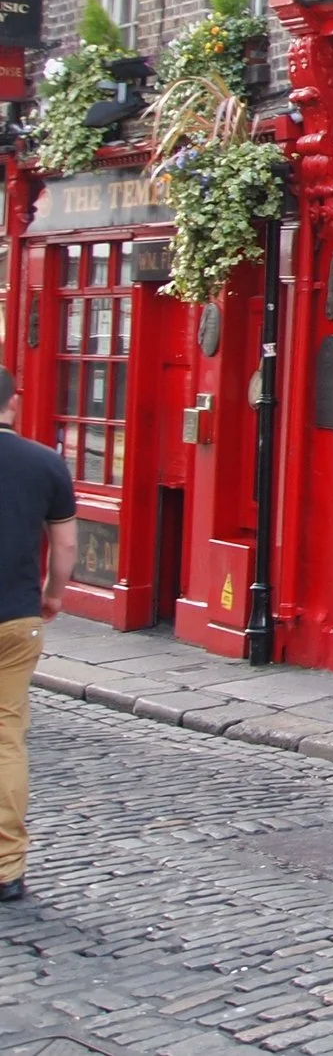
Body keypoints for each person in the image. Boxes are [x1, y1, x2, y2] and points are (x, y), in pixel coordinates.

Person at [0, 366, 77, 901]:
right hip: (15, 617)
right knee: (5, 740)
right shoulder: (46, 463)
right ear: (15, 401)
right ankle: (5, 868)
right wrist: (52, 594)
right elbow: (67, 548)